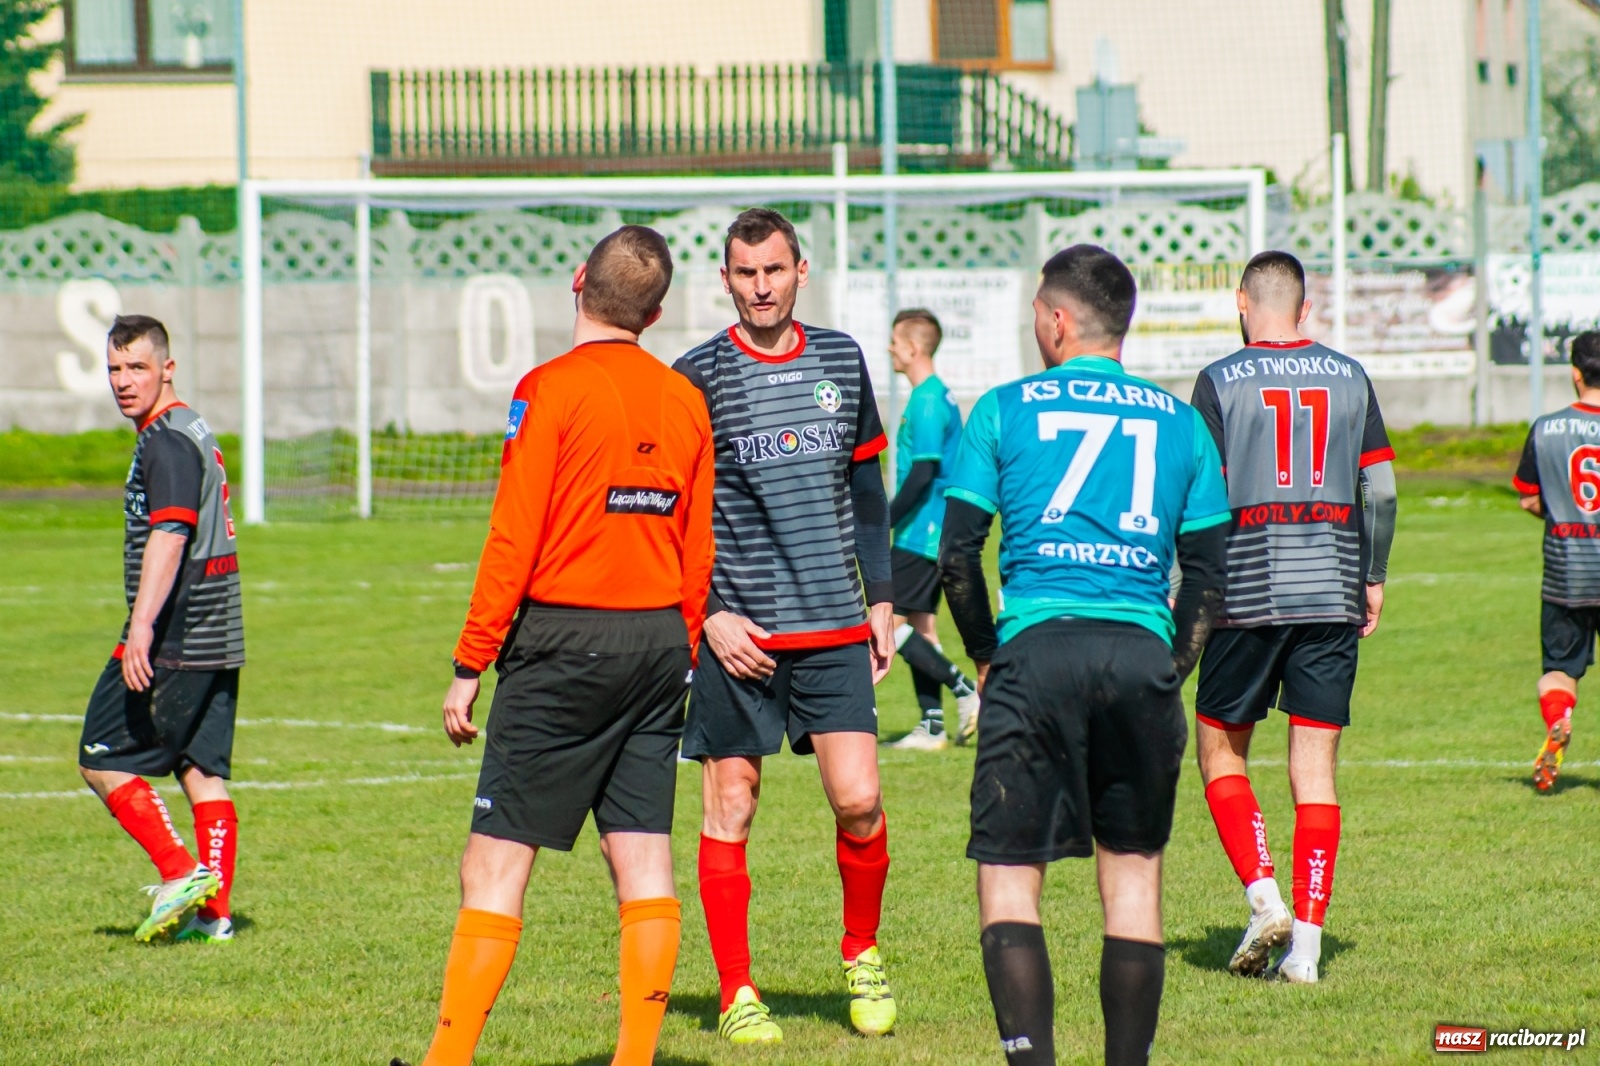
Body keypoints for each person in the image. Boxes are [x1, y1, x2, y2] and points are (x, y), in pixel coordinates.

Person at [392, 226, 714, 1066]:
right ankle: (635, 1058)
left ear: (578, 281)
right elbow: (699, 542)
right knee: (643, 857)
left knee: (492, 867)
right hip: (656, 645)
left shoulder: (548, 389)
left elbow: (513, 537)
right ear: (657, 310)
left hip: (563, 639)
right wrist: (676, 648)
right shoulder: (685, 399)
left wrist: (470, 665)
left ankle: (446, 1060)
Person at [940, 245, 1231, 1066]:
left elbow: (958, 556)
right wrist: (1171, 662)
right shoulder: (1182, 423)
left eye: (1038, 308)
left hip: (1036, 655)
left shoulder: (1001, 408)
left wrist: (988, 653)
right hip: (1139, 658)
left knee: (1008, 876)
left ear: (1058, 320)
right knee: (1133, 878)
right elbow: (1208, 569)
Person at [673, 207, 898, 1044]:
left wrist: (881, 597)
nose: (760, 287)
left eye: (774, 270)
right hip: (739, 637)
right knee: (732, 801)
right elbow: (671, 514)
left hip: (835, 624)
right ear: (724, 279)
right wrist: (707, 617)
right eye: (744, 273)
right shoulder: (695, 376)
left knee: (861, 799)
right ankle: (737, 991)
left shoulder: (842, 357)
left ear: (801, 270)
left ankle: (862, 953)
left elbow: (869, 492)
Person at [1188, 250, 1397, 984]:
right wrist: (1371, 576)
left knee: (1218, 745)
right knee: (1315, 771)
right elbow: (1384, 490)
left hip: (1246, 593)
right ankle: (1305, 954)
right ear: (1303, 309)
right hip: (1333, 591)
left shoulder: (1218, 380)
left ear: (1242, 302)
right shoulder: (1350, 375)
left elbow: (1201, 497)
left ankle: (1263, 895)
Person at [78, 313, 245, 944]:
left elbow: (171, 532)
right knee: (201, 771)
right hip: (218, 629)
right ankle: (215, 916)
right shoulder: (190, 425)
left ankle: (180, 873)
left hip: (178, 632)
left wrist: (141, 627)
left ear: (166, 369)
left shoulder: (166, 440)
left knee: (100, 757)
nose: (123, 381)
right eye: (115, 368)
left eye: (137, 367)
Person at [885, 307, 981, 751]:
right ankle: (933, 725)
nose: (890, 349)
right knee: (921, 629)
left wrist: (882, 521)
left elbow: (924, 473)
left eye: (895, 341)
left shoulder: (925, 400)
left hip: (920, 532)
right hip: (930, 530)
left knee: (885, 624)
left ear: (913, 347)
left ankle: (964, 687)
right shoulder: (937, 395)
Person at [1513, 330, 1600, 792]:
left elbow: (1528, 498)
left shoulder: (1546, 428)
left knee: (1559, 670)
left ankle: (1560, 719)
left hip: (1568, 571)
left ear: (1574, 373)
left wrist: (1563, 512)